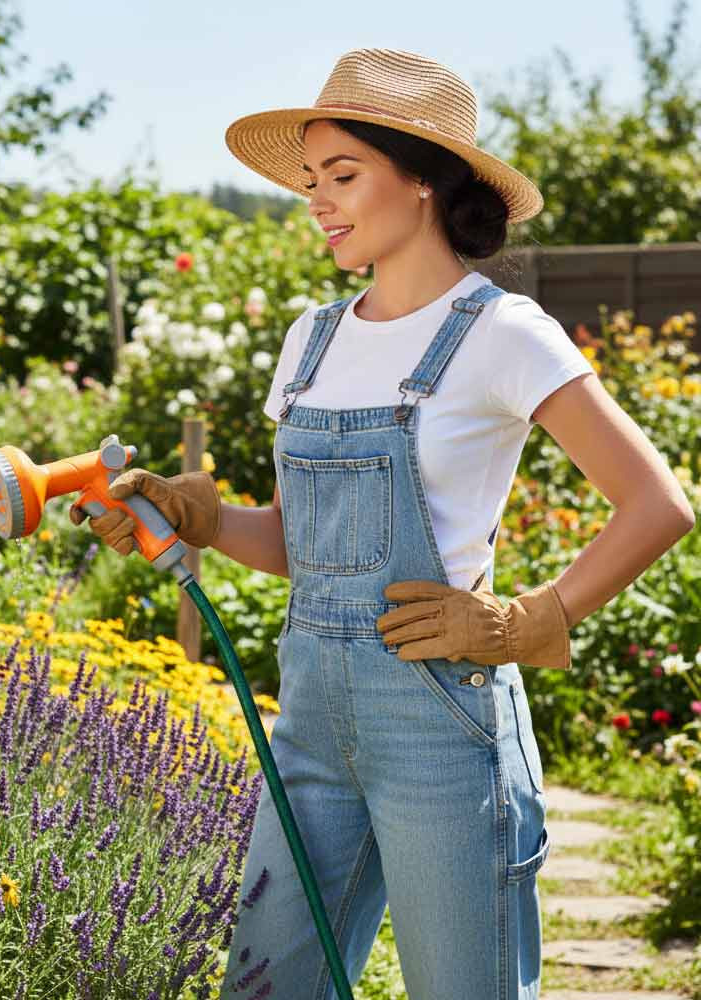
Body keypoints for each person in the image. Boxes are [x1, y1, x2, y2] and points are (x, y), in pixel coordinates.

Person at [70, 48, 696, 1000]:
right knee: (268, 986)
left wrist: (529, 620)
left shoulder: (503, 332)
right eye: (311, 180)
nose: (318, 200)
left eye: (344, 176)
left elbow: (658, 506)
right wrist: (199, 517)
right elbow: (301, 547)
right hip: (311, 720)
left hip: (440, 721)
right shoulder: (312, 339)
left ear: (424, 183)